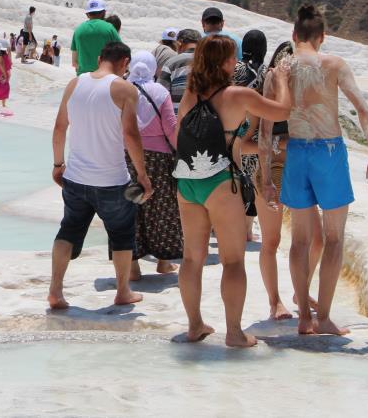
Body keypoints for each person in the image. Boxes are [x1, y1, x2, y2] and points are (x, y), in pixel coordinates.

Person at [173, 34, 291, 347]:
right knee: (233, 261)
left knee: (191, 258)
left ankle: (195, 325)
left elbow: (177, 133)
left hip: (187, 182)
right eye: (232, 58)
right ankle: (235, 333)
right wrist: (280, 79)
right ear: (226, 62)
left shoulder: (191, 92)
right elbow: (282, 111)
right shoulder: (238, 95)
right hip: (221, 183)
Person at [280, 4, 368, 336]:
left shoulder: (283, 67)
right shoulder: (334, 65)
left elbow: (268, 127)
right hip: (328, 150)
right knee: (334, 239)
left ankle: (303, 319)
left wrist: (267, 176)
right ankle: (323, 317)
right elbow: (364, 111)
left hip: (296, 150)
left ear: (295, 36)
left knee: (299, 241)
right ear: (323, 37)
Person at [49, 42, 152, 309]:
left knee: (68, 231)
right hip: (111, 180)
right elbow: (131, 135)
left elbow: (60, 128)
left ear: (99, 58)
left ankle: (55, 290)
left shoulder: (74, 84)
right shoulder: (125, 89)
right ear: (125, 62)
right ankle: (122, 291)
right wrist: (142, 174)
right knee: (121, 234)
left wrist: (58, 164)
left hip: (76, 176)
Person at [254, 41, 324, 320]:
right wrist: (267, 172)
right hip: (275, 168)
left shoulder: (303, 95)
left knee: (316, 240)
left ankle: (301, 290)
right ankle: (274, 302)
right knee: (271, 240)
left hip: (300, 168)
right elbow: (260, 136)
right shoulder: (269, 95)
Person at [124, 51, 182, 280]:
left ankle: (132, 267)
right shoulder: (160, 91)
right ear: (153, 68)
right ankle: (163, 262)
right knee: (163, 209)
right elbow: (170, 127)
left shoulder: (121, 89)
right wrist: (181, 150)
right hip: (159, 158)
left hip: (126, 156)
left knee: (130, 210)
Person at [233, 29, 267, 239]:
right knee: (251, 182)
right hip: (254, 133)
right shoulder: (265, 72)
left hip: (231, 128)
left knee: (231, 179)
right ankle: (246, 231)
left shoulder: (234, 68)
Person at [70, 0, 121, 75]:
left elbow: (74, 62)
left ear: (87, 14)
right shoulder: (109, 28)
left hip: (83, 77)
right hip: (104, 76)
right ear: (104, 12)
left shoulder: (78, 30)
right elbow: (121, 52)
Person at [157, 29, 201, 113]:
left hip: (178, 118)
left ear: (179, 43)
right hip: (205, 120)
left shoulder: (172, 63)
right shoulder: (210, 62)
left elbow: (161, 94)